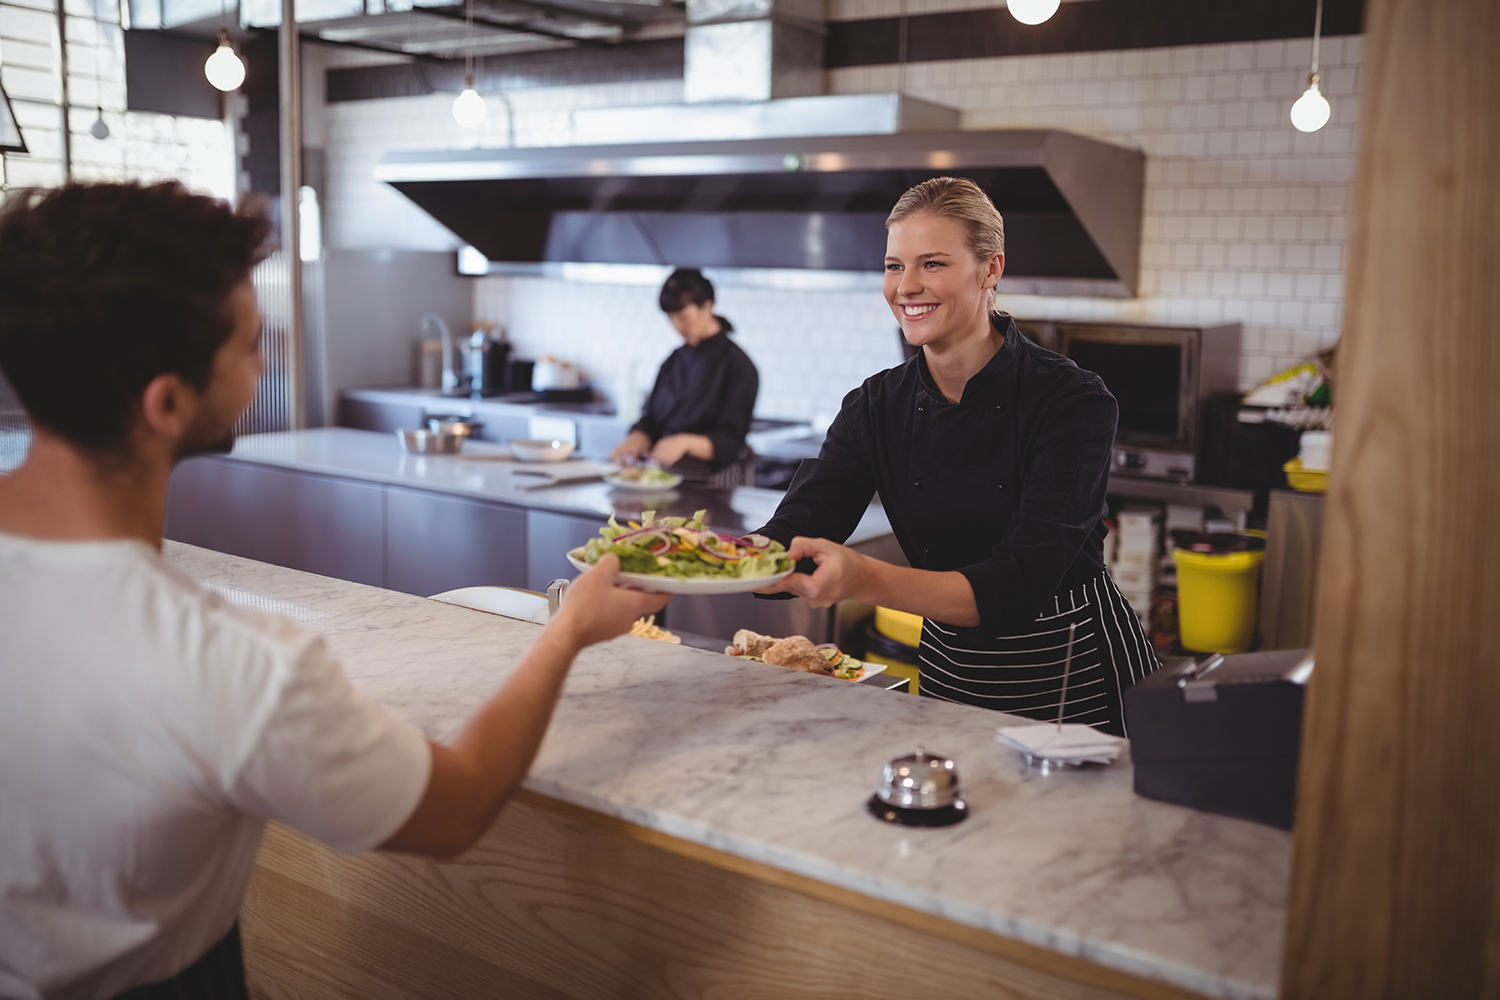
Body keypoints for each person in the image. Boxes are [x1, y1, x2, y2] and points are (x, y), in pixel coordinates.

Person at [0, 182, 669, 1000]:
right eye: (251, 345)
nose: (265, 362)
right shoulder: (229, 665)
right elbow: (454, 810)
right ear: (167, 402)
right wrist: (566, 632)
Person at [756, 177, 1158, 736]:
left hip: (1073, 683)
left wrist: (864, 579)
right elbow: (799, 524)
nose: (907, 286)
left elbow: (1014, 585)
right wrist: (689, 558)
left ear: (990, 269)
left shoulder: (1071, 401)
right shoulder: (877, 405)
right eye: (895, 266)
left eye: (933, 264)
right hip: (952, 673)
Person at [608, 268, 758, 482]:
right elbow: (651, 420)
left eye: (683, 317)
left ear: (707, 306)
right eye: (671, 318)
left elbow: (731, 441)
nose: (677, 326)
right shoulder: (673, 362)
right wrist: (637, 438)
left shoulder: (739, 366)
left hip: (715, 483)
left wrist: (686, 442)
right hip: (666, 479)